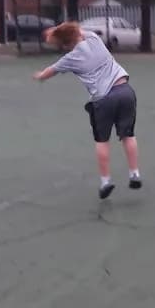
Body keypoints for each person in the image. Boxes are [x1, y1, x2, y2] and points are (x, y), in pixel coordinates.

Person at [33, 21, 142, 199]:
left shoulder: (69, 59)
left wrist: (39, 76)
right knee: (128, 135)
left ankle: (106, 181)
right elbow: (76, 31)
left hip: (103, 100)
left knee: (102, 141)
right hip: (125, 91)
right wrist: (58, 31)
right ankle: (134, 173)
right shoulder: (93, 38)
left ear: (66, 44)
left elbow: (48, 72)